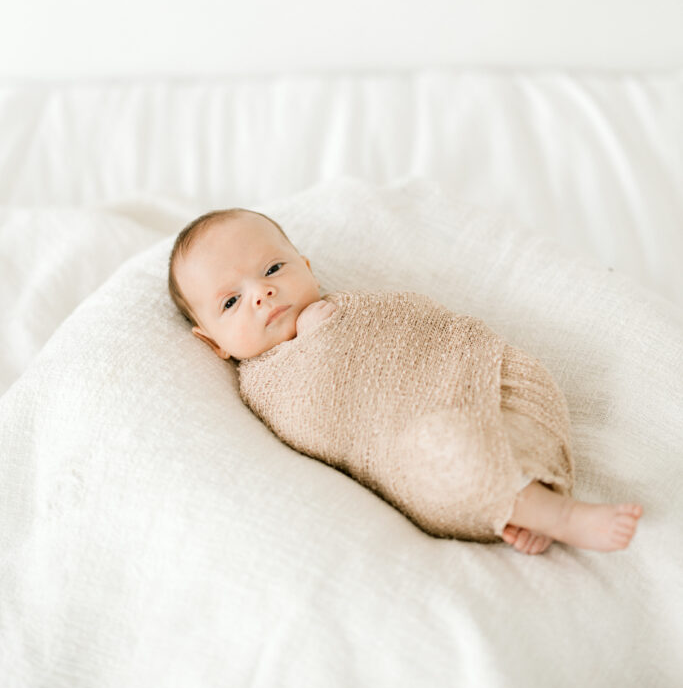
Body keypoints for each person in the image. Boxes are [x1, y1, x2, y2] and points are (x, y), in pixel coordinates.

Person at [168, 207, 642, 555]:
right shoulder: (264, 387)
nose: (261, 293)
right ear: (213, 344)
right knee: (447, 447)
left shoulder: (358, 307)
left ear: (307, 268)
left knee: (522, 383)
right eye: (230, 302)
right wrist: (320, 344)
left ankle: (530, 495)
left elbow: (425, 325)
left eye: (273, 269)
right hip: (421, 449)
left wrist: (334, 324)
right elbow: (330, 429)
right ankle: (563, 516)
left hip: (484, 380)